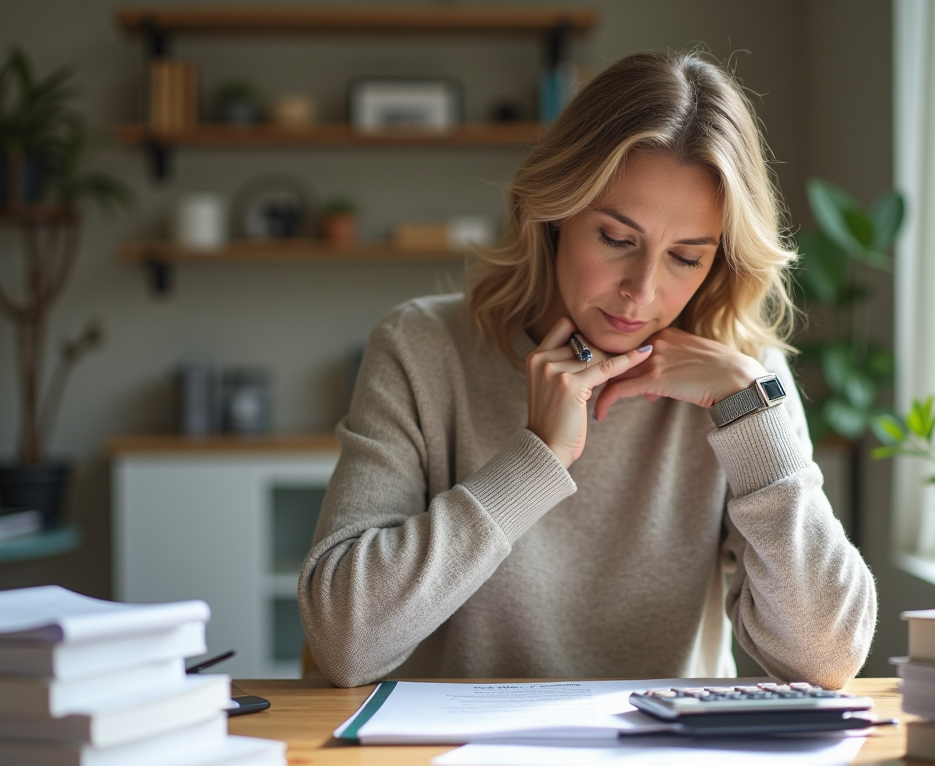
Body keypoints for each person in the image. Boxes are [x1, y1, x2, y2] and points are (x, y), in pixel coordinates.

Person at [299, 52, 877, 690]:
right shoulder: (422, 346)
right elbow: (343, 641)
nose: (642, 290)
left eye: (686, 257)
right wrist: (536, 459)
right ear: (553, 214)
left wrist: (753, 418)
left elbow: (827, 660)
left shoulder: (745, 383)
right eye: (616, 239)